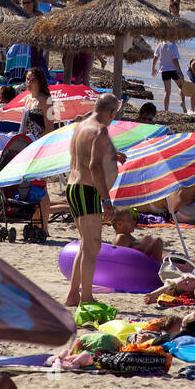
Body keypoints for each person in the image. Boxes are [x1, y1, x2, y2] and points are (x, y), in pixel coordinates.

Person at [65, 93, 124, 307]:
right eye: (114, 114)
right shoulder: (101, 130)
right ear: (110, 112)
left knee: (85, 244)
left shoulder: (80, 125)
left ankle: (73, 295)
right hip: (87, 189)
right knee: (93, 246)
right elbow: (94, 166)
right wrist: (106, 200)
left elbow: (83, 155)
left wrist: (112, 154)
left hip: (73, 187)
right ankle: (86, 298)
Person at [151, 38, 184, 111]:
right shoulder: (173, 46)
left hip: (164, 70)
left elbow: (155, 57)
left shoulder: (160, 45)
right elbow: (175, 60)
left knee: (167, 92)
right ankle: (183, 103)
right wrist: (180, 72)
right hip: (173, 70)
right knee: (181, 86)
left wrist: (153, 68)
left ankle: (166, 110)